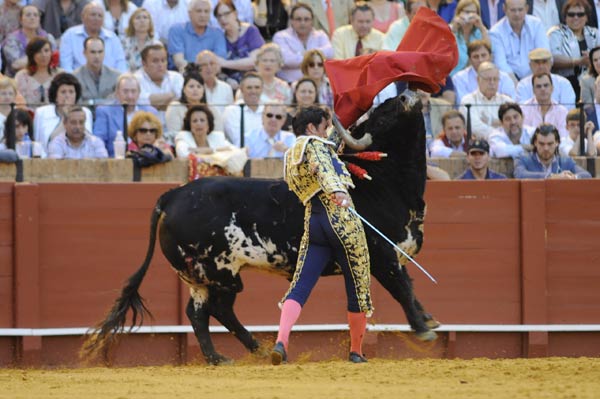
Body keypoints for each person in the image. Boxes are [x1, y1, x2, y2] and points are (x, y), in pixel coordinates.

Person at [271, 105, 372, 366]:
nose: (327, 132)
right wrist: (337, 190)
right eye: (324, 126)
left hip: (313, 220)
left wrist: (348, 118)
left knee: (300, 284)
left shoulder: (291, 153)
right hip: (340, 218)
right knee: (358, 282)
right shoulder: (315, 146)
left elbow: (329, 149)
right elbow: (324, 165)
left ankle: (282, 340)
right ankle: (357, 351)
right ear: (311, 128)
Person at [93, 73, 158, 157]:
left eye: (133, 91)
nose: (130, 96)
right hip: (114, 162)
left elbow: (158, 139)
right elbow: (98, 141)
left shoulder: (151, 112)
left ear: (139, 93)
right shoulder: (104, 111)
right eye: (125, 91)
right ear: (117, 93)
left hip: (146, 161)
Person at [547, 0, 600, 99]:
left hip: (593, 84)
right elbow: (552, 59)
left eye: (580, 14)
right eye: (571, 14)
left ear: (587, 17)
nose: (576, 17)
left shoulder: (595, 33)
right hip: (565, 84)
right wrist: (578, 61)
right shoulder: (555, 33)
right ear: (565, 17)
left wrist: (592, 60)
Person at [489, 0, 550, 82]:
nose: (517, 14)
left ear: (526, 9)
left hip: (537, 78)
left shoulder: (536, 25)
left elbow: (545, 55)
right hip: (510, 81)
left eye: (520, 10)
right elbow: (501, 65)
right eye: (513, 10)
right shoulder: (495, 32)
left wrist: (534, 82)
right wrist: (517, 86)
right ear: (504, 9)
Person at [272, 3, 333, 83]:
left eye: (306, 19)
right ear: (291, 21)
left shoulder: (320, 35)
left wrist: (298, 55)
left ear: (312, 21)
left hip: (318, 84)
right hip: (289, 84)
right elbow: (286, 60)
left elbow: (330, 53)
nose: (303, 23)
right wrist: (315, 56)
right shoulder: (281, 36)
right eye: (298, 19)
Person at [59, 2, 128, 73]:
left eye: (100, 16)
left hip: (110, 81)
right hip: (78, 80)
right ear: (83, 17)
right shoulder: (70, 35)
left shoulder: (112, 37)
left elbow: (121, 65)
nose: (96, 18)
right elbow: (66, 66)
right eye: (93, 15)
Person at [33, 73, 94, 151]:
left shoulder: (85, 112)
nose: (67, 96)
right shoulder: (42, 112)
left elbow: (88, 141)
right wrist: (66, 117)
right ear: (55, 96)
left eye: (71, 92)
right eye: (63, 92)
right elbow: (45, 144)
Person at [214, 0, 265, 86]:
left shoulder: (250, 31)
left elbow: (254, 61)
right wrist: (226, 79)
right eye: (219, 16)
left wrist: (225, 63)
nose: (223, 19)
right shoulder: (219, 38)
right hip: (232, 84)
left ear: (235, 14)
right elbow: (217, 67)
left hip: (254, 82)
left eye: (226, 14)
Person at [513, 123, 592, 178]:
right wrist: (552, 176)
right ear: (535, 143)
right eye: (541, 144)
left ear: (557, 143)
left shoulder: (565, 161)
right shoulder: (523, 159)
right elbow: (520, 174)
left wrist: (572, 177)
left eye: (550, 144)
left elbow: (586, 175)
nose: (546, 148)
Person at [134, 43, 184, 129]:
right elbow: (142, 104)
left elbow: (182, 101)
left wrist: (155, 104)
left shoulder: (176, 77)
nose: (160, 65)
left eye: (163, 60)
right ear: (144, 63)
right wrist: (171, 95)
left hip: (175, 129)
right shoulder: (136, 79)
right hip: (147, 131)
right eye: (155, 61)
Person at [168, 0, 227, 72]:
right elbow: (179, 62)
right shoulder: (177, 30)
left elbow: (218, 63)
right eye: (199, 11)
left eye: (206, 11)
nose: (203, 15)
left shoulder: (217, 34)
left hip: (210, 75)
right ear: (189, 14)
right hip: (185, 75)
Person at [165, 66, 223, 139]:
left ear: (203, 90)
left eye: (199, 87)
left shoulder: (211, 108)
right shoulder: (175, 107)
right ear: (184, 90)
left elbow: (219, 133)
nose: (195, 90)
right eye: (191, 86)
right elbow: (174, 134)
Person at [460, 62, 514, 139]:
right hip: (478, 147)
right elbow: (474, 127)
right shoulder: (468, 101)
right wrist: (500, 132)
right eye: (488, 79)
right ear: (478, 80)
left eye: (495, 79)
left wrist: (488, 122)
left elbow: (513, 124)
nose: (492, 83)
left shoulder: (507, 101)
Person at [2, 4, 57, 78]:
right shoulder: (12, 39)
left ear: (39, 19)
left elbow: (53, 60)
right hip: (17, 79)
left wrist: (29, 61)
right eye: (28, 15)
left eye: (35, 15)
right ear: (21, 20)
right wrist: (42, 60)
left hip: (45, 77)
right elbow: (16, 64)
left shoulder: (48, 37)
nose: (32, 18)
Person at [453, 39, 516, 103]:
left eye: (483, 55)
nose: (480, 60)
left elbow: (510, 103)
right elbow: (464, 104)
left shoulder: (504, 77)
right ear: (470, 60)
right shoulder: (459, 78)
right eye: (476, 57)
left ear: (490, 57)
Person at [14, 36, 62, 108]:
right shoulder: (21, 76)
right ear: (32, 55)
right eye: (39, 52)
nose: (44, 55)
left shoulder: (60, 74)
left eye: (46, 51)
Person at [73, 37, 121, 104]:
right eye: (93, 52)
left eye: (100, 52)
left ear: (104, 53)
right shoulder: (75, 77)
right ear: (84, 53)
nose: (97, 56)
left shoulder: (116, 76)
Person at [522, 72, 569, 138]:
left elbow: (563, 138)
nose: (542, 89)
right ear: (533, 90)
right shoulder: (524, 109)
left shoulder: (562, 111)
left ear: (552, 88)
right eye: (538, 86)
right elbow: (524, 137)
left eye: (546, 85)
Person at [223, 71, 263, 147]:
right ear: (241, 89)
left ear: (262, 89)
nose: (253, 91)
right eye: (249, 87)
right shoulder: (231, 111)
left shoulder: (267, 110)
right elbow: (238, 140)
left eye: (257, 87)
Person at [449, 0, 489, 76]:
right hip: (453, 76)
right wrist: (453, 31)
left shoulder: (480, 31)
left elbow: (490, 53)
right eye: (467, 12)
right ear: (459, 13)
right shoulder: (450, 30)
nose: (470, 15)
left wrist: (482, 28)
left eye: (474, 12)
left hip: (477, 76)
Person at [120, 7, 161, 72]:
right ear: (132, 23)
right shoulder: (123, 43)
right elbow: (121, 66)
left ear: (150, 23)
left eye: (145, 17)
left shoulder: (156, 45)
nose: (142, 20)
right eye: (138, 18)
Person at [196, 50, 235, 116]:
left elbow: (230, 114)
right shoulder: (195, 89)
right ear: (198, 68)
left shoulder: (226, 88)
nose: (209, 67)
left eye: (212, 63)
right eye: (204, 65)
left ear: (217, 66)